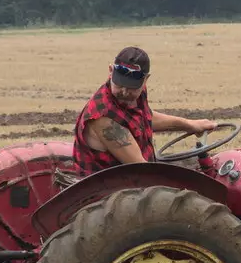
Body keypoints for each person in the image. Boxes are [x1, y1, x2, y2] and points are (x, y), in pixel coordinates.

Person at [72, 46, 218, 175]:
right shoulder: (102, 117)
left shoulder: (136, 94)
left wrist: (190, 125)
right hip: (106, 191)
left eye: (131, 87)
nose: (124, 91)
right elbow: (141, 169)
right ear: (110, 71)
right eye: (120, 84)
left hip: (129, 181)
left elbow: (145, 117)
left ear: (145, 80)